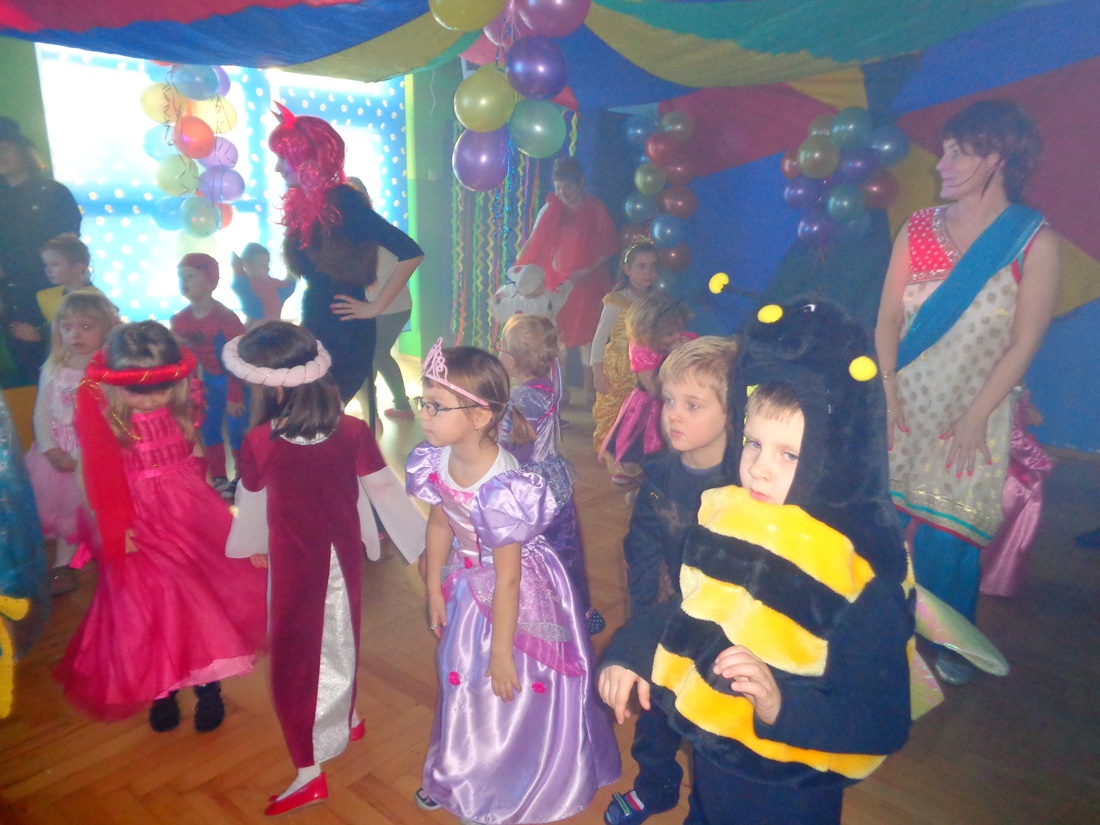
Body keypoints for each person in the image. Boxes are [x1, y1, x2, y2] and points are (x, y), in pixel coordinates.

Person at [602, 298, 913, 825]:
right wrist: (629, 652)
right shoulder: (732, 516)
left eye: (788, 454)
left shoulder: (857, 576)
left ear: (832, 456)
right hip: (716, 754)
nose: (759, 470)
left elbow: (882, 719)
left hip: (787, 788)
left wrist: (779, 705)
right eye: (753, 444)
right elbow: (692, 611)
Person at [874, 99, 1061, 686]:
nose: (941, 163)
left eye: (959, 152)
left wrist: (978, 415)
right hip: (903, 406)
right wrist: (886, 393)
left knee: (949, 533)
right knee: (880, 521)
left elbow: (1024, 341)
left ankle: (950, 637)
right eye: (945, 150)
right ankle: (879, 626)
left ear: (997, 158)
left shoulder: (1033, 243)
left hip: (973, 413)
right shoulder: (917, 228)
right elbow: (887, 320)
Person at [407, 340, 620, 824]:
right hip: (468, 581)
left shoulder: (501, 485)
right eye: (424, 402)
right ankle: (461, 770)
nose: (424, 415)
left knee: (508, 682)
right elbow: (440, 522)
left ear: (480, 417)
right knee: (461, 676)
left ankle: (516, 775)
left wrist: (502, 652)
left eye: (436, 406)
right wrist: (433, 588)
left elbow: (508, 580)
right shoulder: (438, 458)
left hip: (515, 592)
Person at [221, 321, 425, 816]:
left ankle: (308, 772)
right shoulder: (353, 430)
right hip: (342, 556)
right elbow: (384, 490)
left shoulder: (261, 442)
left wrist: (253, 545)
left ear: (272, 388)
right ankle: (347, 716)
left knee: (294, 661)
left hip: (296, 565)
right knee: (341, 633)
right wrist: (423, 548)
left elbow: (253, 502)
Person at [56, 321, 267, 729]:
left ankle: (208, 687)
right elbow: (89, 475)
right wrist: (110, 526)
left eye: (161, 388)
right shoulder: (107, 420)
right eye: (139, 391)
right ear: (116, 385)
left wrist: (210, 502)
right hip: (135, 524)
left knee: (200, 602)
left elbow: (195, 454)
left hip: (187, 515)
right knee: (152, 606)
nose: (151, 399)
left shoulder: (180, 412)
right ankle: (163, 688)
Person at [602, 335, 739, 825]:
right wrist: (645, 614)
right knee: (654, 714)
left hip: (720, 632)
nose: (673, 415)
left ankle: (706, 809)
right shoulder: (660, 472)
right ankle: (655, 787)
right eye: (669, 400)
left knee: (712, 731)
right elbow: (641, 544)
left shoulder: (743, 487)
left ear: (732, 414)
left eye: (693, 405)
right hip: (662, 615)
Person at [268, 105, 424, 424]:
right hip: (316, 323)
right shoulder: (304, 205)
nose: (277, 167)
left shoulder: (345, 202)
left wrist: (375, 307)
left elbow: (411, 252)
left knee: (317, 420)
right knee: (302, 417)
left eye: (284, 158)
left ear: (308, 158)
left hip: (346, 333)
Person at [497, 313, 605, 635]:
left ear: (512, 360)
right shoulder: (549, 380)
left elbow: (511, 445)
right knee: (565, 548)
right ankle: (578, 610)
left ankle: (550, 616)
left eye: (500, 348)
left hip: (532, 489)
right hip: (552, 480)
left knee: (540, 553)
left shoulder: (523, 399)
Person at [24, 291, 118, 595]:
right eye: (67, 327)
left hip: (90, 454)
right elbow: (41, 411)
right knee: (65, 516)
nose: (75, 334)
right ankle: (62, 565)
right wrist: (50, 448)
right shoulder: (52, 367)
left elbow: (107, 419)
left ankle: (110, 560)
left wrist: (80, 455)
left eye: (86, 327)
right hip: (54, 453)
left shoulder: (106, 372)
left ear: (105, 329)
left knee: (93, 510)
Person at [516, 156, 617, 398]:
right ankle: (560, 392)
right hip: (557, 283)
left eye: (568, 187)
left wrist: (586, 271)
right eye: (559, 188)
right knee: (557, 336)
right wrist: (520, 267)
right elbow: (534, 241)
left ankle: (589, 390)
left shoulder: (595, 209)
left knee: (587, 337)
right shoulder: (550, 209)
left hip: (588, 283)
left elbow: (607, 247)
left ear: (580, 183)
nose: (563, 193)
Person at [0, 117, 81, 386]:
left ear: (23, 150)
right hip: (12, 302)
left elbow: (68, 251)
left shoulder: (54, 193)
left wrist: (9, 268)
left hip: (54, 296)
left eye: (5, 148)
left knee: (68, 374)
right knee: (31, 377)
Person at [170, 252, 248, 495]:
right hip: (211, 382)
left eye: (191, 276)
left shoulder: (226, 319)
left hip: (237, 381)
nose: (184, 282)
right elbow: (186, 359)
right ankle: (218, 476)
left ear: (210, 281)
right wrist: (191, 391)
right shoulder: (181, 320)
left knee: (237, 431)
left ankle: (243, 478)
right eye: (181, 276)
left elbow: (240, 358)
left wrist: (235, 394)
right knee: (208, 427)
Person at [600, 292, 695, 480]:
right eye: (670, 334)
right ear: (649, 334)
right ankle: (644, 482)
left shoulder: (683, 340)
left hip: (679, 401)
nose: (678, 336)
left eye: (680, 329)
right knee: (647, 452)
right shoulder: (643, 350)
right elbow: (655, 389)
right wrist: (674, 357)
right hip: (651, 407)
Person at [592, 240, 659, 481]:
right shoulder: (616, 301)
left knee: (639, 416)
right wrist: (597, 372)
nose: (647, 272)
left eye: (652, 266)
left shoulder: (656, 301)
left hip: (644, 368)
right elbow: (599, 338)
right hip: (618, 369)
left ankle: (633, 460)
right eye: (641, 266)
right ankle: (617, 463)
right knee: (616, 415)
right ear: (627, 269)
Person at [230, 242, 295, 329]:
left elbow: (289, 286)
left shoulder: (274, 284)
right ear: (248, 266)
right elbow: (237, 267)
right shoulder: (245, 284)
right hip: (254, 330)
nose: (268, 268)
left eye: (268, 264)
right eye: (263, 265)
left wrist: (290, 263)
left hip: (274, 329)